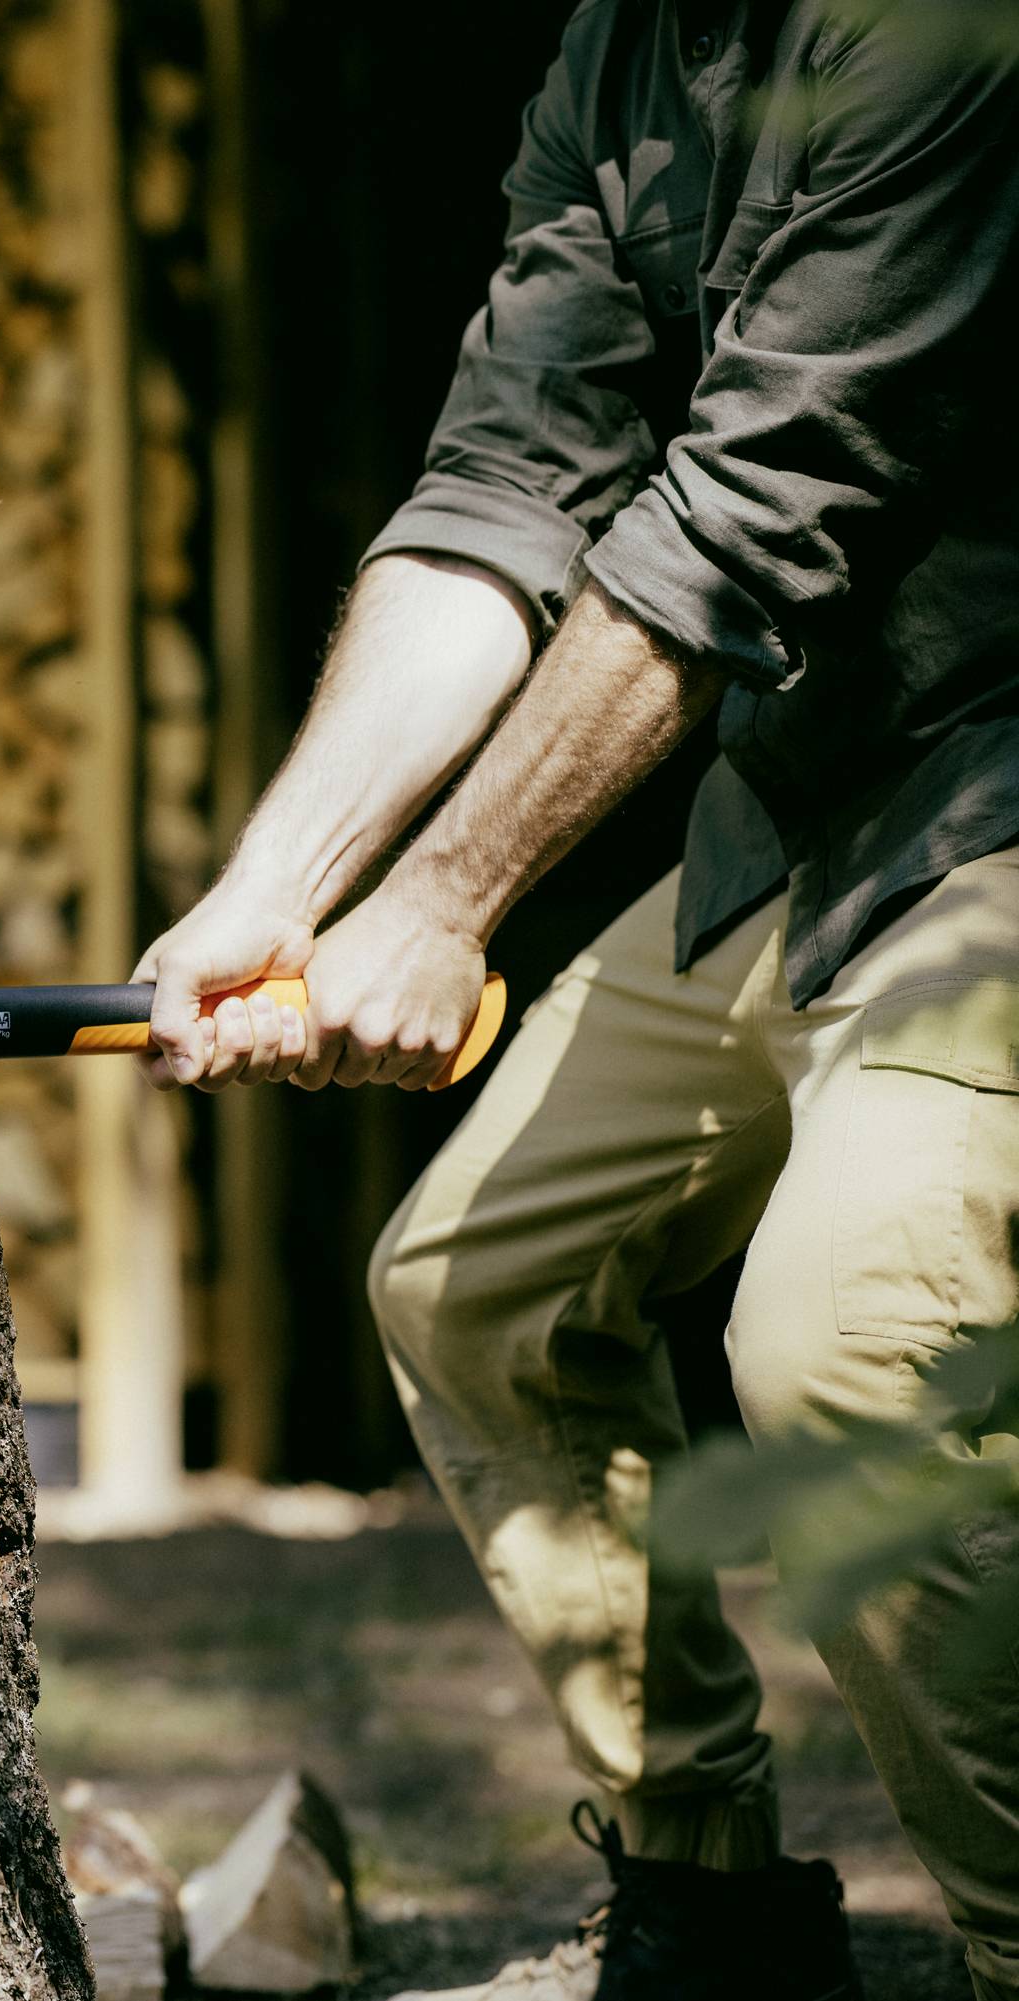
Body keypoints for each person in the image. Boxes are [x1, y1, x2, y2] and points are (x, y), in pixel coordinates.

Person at [137, 3, 1019, 1997]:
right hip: (817, 819)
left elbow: (760, 509)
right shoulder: (624, 54)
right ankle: (709, 1906)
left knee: (853, 1339)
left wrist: (449, 894)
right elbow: (510, 486)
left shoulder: (932, 31)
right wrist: (279, 889)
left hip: (1005, 802)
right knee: (478, 1287)